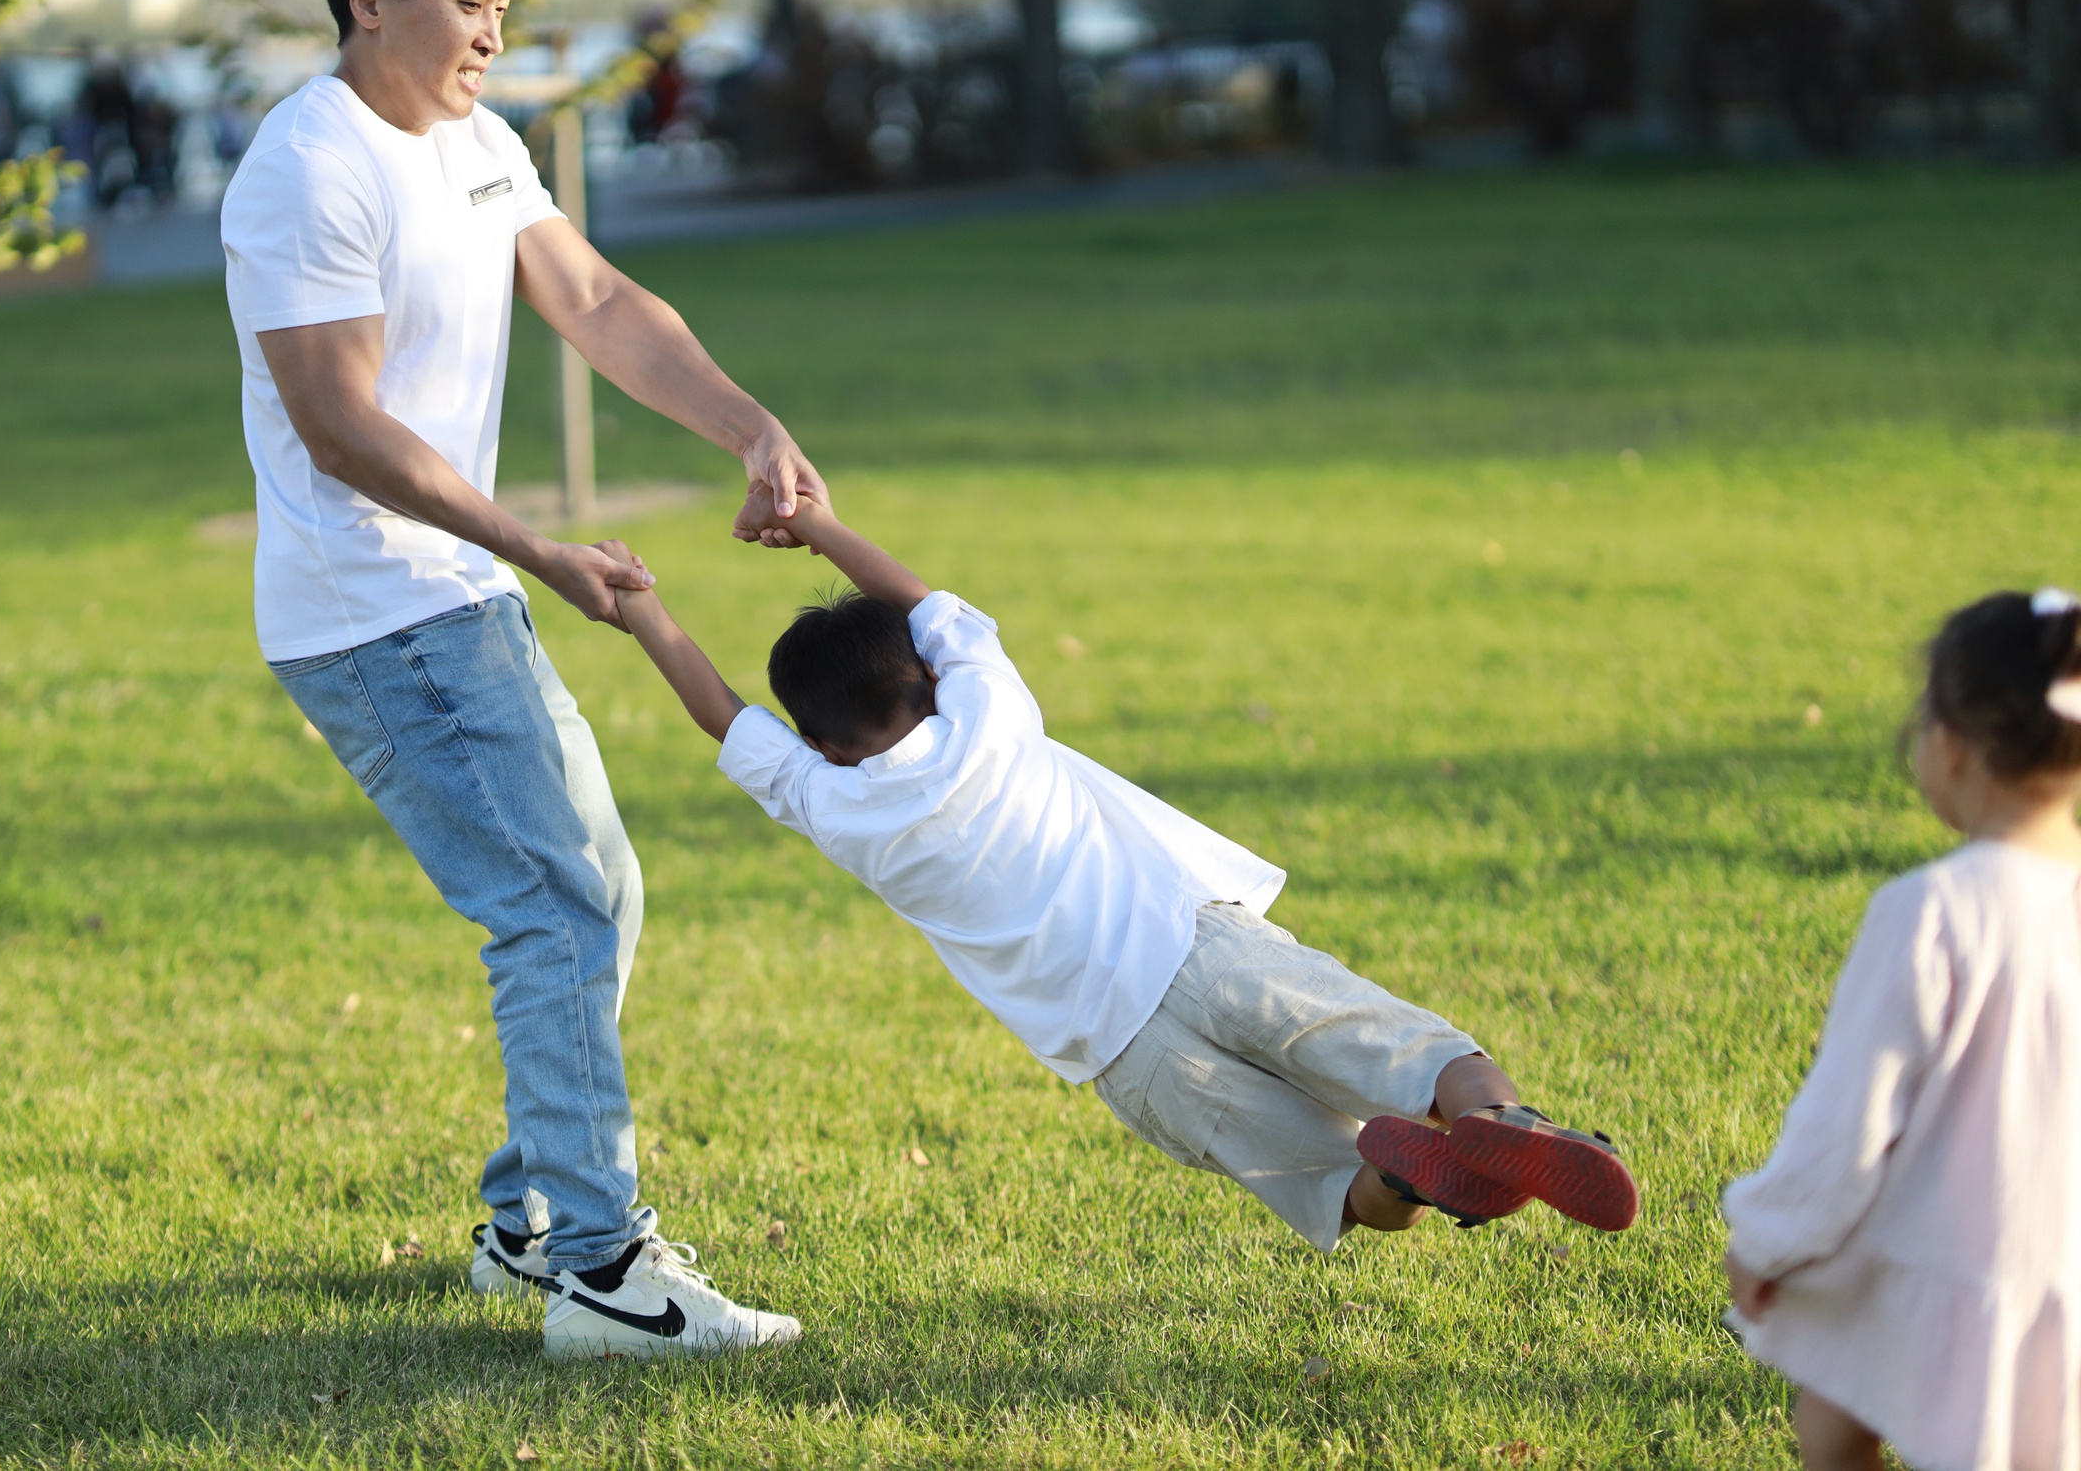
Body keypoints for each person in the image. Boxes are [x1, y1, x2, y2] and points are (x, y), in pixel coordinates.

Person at [216, 0, 825, 1362]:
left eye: (504, 3)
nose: (494, 31)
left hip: (451, 589)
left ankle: (534, 1219)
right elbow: (341, 427)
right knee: (556, 904)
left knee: (593, 888)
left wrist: (750, 426)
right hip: (377, 607)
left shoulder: (479, 145)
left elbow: (598, 302)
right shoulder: (309, 168)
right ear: (371, 0)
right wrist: (537, 548)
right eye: (469, 1)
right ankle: (603, 1270)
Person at [586, 497, 1642, 1255]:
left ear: (821, 746)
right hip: (1196, 944)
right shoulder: (989, 709)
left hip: (1125, 1053)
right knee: (1411, 1049)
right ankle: (1501, 1121)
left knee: (1328, 1180)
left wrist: (643, 608)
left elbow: (722, 715)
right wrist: (816, 523)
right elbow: (924, 602)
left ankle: (1408, 1178)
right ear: (929, 677)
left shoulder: (833, 804)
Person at [1724, 589, 2081, 1471]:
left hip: (1950, 1266)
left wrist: (1767, 1238)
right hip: (2062, 1272)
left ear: (1950, 747)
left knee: (1834, 1410)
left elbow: (1847, 1121)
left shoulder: (1933, 913)